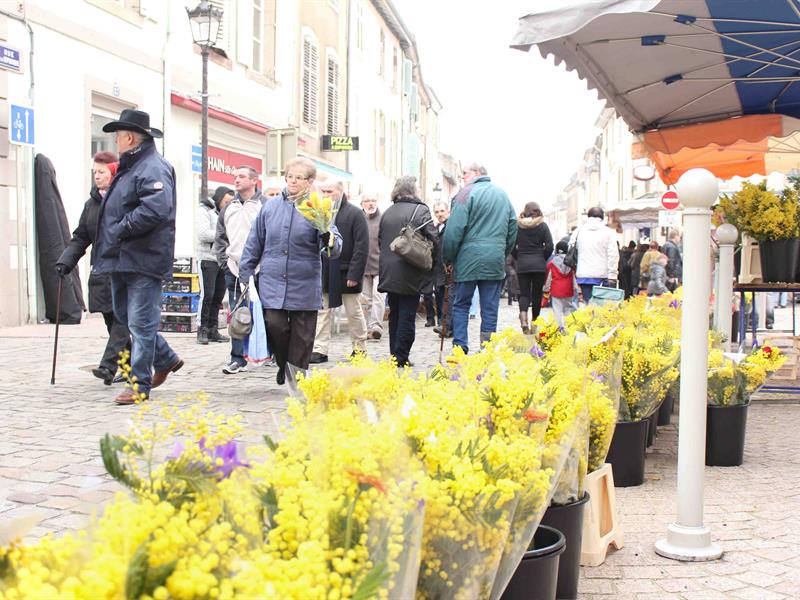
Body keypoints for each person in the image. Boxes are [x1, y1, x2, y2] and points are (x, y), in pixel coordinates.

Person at [93, 109, 182, 405]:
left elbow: (156, 208)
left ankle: (139, 384)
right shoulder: (132, 167)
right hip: (123, 257)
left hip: (143, 258)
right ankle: (166, 358)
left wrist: (121, 228)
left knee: (141, 323)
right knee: (126, 315)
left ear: (129, 137)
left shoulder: (152, 167)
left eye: (118, 135)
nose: (116, 140)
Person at [239, 157, 341, 385]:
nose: (293, 181)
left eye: (299, 178)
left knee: (303, 337)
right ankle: (283, 361)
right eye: (290, 176)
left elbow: (333, 248)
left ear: (310, 181)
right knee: (274, 324)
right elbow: (254, 241)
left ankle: (297, 380)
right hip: (272, 280)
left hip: (304, 282)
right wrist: (245, 274)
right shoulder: (270, 207)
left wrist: (328, 239)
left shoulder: (317, 207)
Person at [56, 151, 130, 385]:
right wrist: (66, 261)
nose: (97, 176)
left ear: (113, 172)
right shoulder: (91, 204)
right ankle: (132, 368)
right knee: (112, 321)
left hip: (124, 268)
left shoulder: (125, 199)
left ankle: (108, 366)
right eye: (94, 172)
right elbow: (80, 237)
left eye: (102, 172)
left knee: (122, 319)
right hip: (101, 269)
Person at [442, 163, 516, 354]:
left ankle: (460, 347)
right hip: (494, 259)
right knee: (490, 307)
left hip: (468, 259)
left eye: (464, 174)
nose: (462, 178)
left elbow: (454, 229)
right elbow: (513, 227)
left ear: (476, 174)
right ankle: (487, 348)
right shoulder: (503, 195)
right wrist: (502, 251)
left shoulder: (465, 194)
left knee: (461, 304)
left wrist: (448, 257)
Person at [378, 176, 439, 367]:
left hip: (388, 269)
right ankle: (401, 356)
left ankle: (394, 354)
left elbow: (380, 240)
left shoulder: (388, 211)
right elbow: (434, 238)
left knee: (395, 313)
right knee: (406, 314)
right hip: (410, 268)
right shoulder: (420, 210)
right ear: (413, 190)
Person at [309, 179, 369, 363]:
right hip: (325, 269)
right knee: (323, 311)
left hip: (346, 270)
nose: (326, 195)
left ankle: (359, 347)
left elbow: (361, 245)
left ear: (341, 191)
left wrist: (354, 273)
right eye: (324, 191)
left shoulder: (355, 213)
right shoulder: (319, 213)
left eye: (330, 191)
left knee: (353, 311)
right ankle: (320, 349)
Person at [215, 166, 265, 374]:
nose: (236, 180)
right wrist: (224, 262)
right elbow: (220, 236)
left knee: (267, 314)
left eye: (241, 176)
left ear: (254, 180)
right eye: (235, 176)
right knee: (237, 315)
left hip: (261, 270)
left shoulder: (265, 206)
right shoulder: (229, 207)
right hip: (234, 269)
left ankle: (268, 353)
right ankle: (237, 358)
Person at [196, 186, 233, 345]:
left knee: (218, 296)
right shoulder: (205, 210)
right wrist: (224, 234)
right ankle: (202, 328)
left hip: (222, 259)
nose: (228, 205)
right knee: (207, 295)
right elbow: (203, 234)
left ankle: (213, 328)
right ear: (219, 200)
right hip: (207, 259)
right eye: (226, 202)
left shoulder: (229, 214)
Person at [514, 201, 553, 333]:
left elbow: (512, 246)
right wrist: (542, 257)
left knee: (524, 294)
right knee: (537, 294)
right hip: (538, 265)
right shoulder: (542, 226)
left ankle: (523, 319)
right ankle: (534, 322)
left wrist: (518, 257)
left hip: (523, 264)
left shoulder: (518, 226)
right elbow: (550, 246)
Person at [569, 206, 619, 303]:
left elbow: (571, 250)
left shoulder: (578, 231)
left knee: (589, 303)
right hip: (602, 275)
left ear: (588, 216)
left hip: (584, 275)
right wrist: (613, 275)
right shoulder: (608, 232)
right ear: (602, 217)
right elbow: (613, 255)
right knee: (602, 306)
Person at [359, 193, 385, 340]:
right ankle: (364, 327)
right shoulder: (358, 218)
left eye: (373, 200)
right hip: (363, 266)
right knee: (365, 299)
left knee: (378, 296)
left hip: (380, 265)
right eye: (367, 200)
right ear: (362, 203)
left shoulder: (383, 219)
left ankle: (376, 326)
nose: (370, 203)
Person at [543, 240, 579, 329]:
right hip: (568, 289)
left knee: (557, 310)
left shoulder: (552, 263)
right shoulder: (570, 263)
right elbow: (574, 278)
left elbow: (549, 278)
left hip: (556, 290)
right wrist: (577, 289)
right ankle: (569, 328)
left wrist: (546, 289)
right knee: (567, 310)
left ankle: (559, 328)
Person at [432, 201, 453, 337]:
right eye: (437, 212)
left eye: (442, 211)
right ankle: (442, 324)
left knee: (449, 298)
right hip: (438, 269)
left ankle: (448, 326)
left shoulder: (451, 227)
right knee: (440, 297)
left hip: (449, 268)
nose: (439, 214)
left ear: (448, 212)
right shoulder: (435, 228)